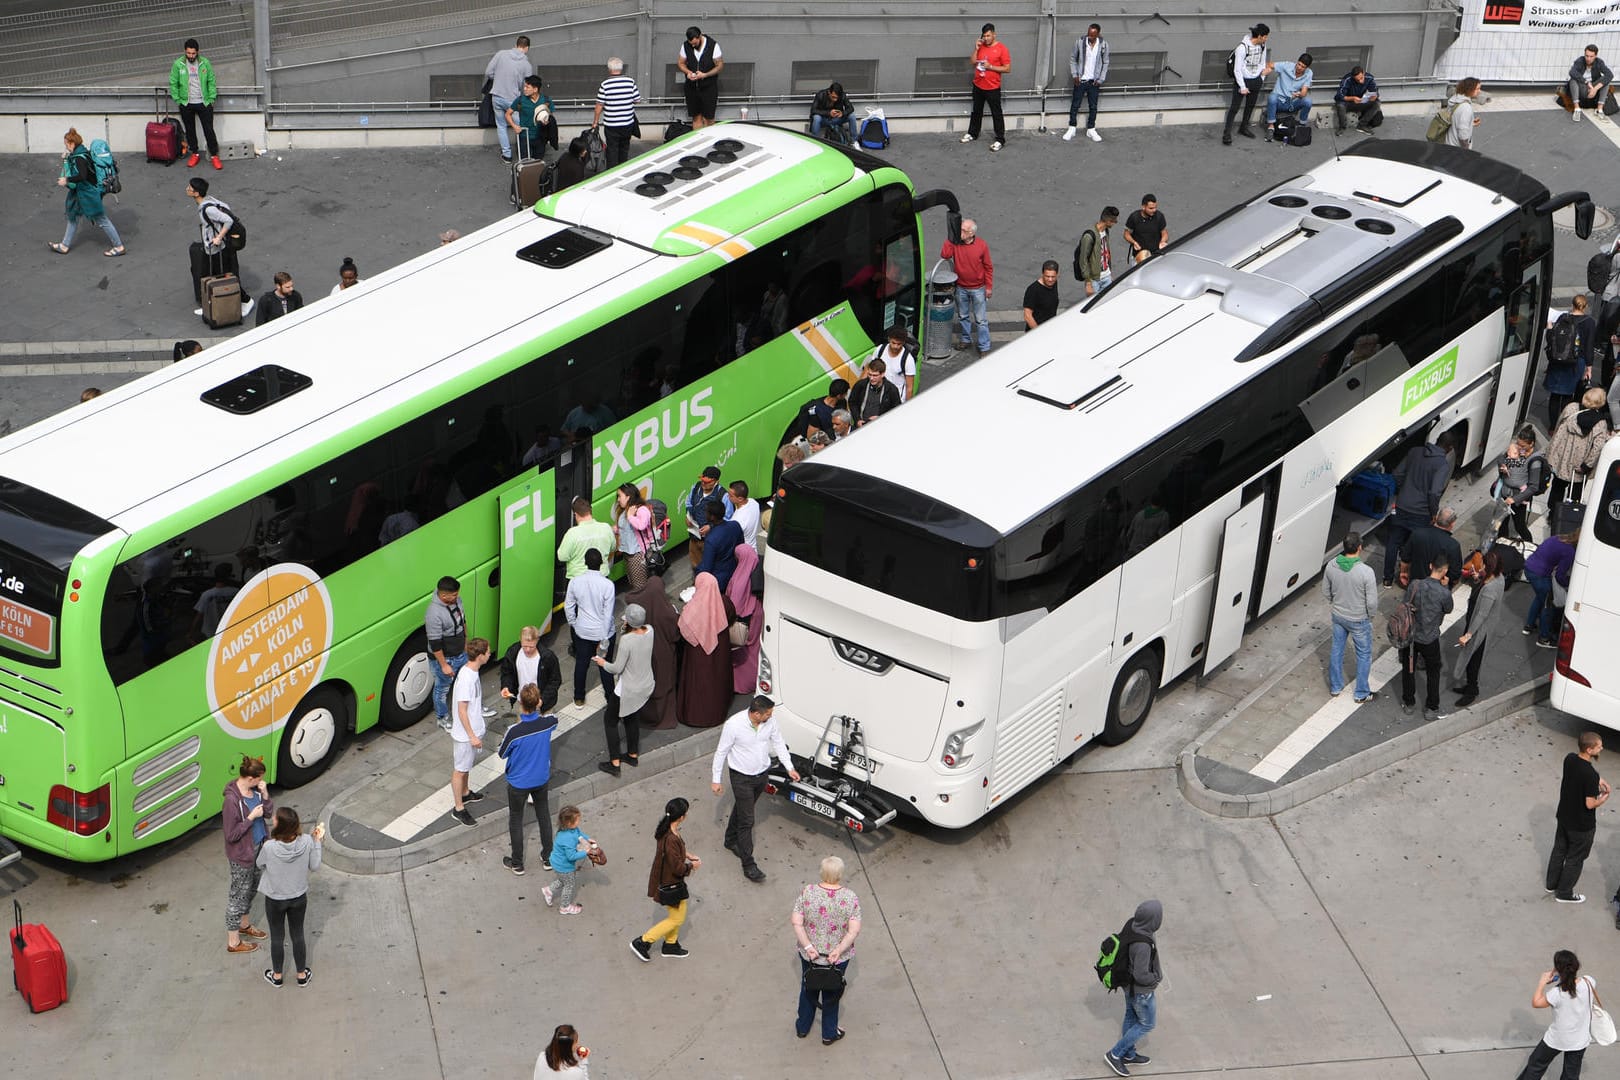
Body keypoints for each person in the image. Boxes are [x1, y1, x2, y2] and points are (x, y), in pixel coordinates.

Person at [711, 695, 799, 882]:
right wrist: (716, 779)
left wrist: (789, 767)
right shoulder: (734, 725)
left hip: (761, 775)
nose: (771, 716)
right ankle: (748, 864)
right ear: (756, 714)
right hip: (741, 777)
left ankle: (730, 840)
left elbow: (778, 743)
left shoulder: (770, 722)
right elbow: (721, 751)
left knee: (743, 810)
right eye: (768, 713)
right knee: (747, 820)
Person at [792, 855, 863, 1044]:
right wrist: (838, 950)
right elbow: (854, 930)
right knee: (832, 993)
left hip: (810, 956)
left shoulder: (807, 892)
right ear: (840, 874)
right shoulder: (850, 897)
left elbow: (796, 922)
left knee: (808, 988)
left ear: (822, 872)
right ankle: (829, 1033)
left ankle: (802, 1027)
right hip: (837, 958)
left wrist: (808, 946)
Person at [255, 807, 324, 988]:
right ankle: (301, 975)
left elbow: (259, 863)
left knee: (277, 937)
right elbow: (315, 865)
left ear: (280, 826)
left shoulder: (269, 847)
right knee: (298, 934)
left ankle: (277, 976)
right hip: (298, 897)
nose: (274, 820)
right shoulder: (308, 841)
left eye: (276, 819)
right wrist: (317, 841)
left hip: (275, 898)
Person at [631, 797, 700, 961]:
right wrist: (692, 866)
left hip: (669, 881)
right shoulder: (671, 838)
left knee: (678, 914)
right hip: (671, 882)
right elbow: (678, 867)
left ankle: (670, 944)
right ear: (682, 817)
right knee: (677, 918)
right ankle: (643, 941)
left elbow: (676, 853)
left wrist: (688, 855)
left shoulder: (668, 830)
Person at [499, 682, 557, 876]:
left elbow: (502, 753)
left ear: (521, 704)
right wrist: (538, 706)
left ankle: (517, 862)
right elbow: (553, 718)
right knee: (543, 815)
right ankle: (548, 856)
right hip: (540, 778)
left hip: (518, 782)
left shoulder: (514, 732)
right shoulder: (548, 723)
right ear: (538, 702)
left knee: (516, 819)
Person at [1546, 732, 1610, 904]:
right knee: (1575, 858)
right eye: (1599, 746)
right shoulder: (1590, 775)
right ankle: (1564, 893)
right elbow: (1589, 804)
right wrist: (1603, 798)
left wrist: (1598, 778)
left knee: (1559, 849)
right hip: (1581, 826)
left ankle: (1551, 883)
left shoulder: (1570, 759)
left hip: (1564, 817)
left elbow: (1583, 770)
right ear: (1589, 749)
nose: (1602, 748)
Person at [1384, 434, 1453, 587]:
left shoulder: (1414, 451)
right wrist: (1434, 512)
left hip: (1401, 505)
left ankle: (1387, 578)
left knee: (1393, 542)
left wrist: (1404, 491)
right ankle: (1409, 580)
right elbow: (1434, 492)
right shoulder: (1442, 464)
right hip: (1421, 513)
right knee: (1416, 546)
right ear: (1449, 448)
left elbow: (1396, 474)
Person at [1103, 899, 1163, 1076]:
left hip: (1127, 986)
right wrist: (1155, 979)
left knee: (1130, 1016)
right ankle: (1115, 1054)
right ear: (1153, 920)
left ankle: (1128, 1054)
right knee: (1147, 1024)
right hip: (1141, 992)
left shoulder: (1133, 924)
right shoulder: (1143, 945)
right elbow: (1141, 975)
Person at [1514, 951, 1595, 1078]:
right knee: (1571, 1074)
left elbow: (1536, 1002)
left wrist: (1542, 982)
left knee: (1536, 1064)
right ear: (1577, 966)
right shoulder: (1589, 982)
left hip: (1557, 1038)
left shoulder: (1557, 993)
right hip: (1580, 1039)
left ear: (1558, 969)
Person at [594, 603, 653, 775]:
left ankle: (614, 763)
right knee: (631, 718)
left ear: (629, 621)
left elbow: (617, 668)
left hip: (628, 687)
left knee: (610, 721)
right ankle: (632, 754)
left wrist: (602, 662)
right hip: (645, 684)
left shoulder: (627, 641)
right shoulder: (650, 630)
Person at [222, 754, 272, 955]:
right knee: (238, 895)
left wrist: (266, 794)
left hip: (258, 848)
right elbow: (231, 834)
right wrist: (251, 818)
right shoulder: (232, 801)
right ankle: (233, 942)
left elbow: (268, 813)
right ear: (251, 778)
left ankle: (244, 925)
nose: (262, 781)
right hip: (242, 855)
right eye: (260, 779)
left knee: (251, 889)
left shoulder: (256, 792)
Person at [1546, 386, 1612, 535]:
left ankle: (1553, 514)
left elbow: (1558, 426)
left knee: (1557, 487)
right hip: (1579, 466)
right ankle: (1570, 519)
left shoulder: (1571, 409)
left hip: (1561, 459)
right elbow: (1597, 448)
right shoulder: (1600, 423)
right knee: (1576, 492)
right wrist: (1586, 465)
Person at [49, 129, 124, 257]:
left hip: (88, 193)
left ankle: (119, 246)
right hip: (82, 192)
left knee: (101, 218)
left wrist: (66, 180)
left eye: (66, 144)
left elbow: (82, 176)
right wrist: (67, 158)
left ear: (72, 143)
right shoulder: (83, 152)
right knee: (73, 216)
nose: (66, 146)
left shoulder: (80, 158)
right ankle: (64, 245)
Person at [1323, 532, 1378, 704]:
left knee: (1337, 650)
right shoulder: (1366, 572)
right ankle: (1361, 692)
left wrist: (1336, 602)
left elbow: (1326, 591)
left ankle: (1335, 686)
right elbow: (1371, 602)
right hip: (1359, 619)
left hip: (1338, 615)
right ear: (1360, 547)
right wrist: (1371, 616)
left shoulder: (1331, 565)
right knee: (1363, 654)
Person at [1398, 556, 1454, 722]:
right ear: (1444, 571)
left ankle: (1408, 703)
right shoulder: (1444, 592)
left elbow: (1405, 603)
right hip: (1430, 638)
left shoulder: (1415, 584)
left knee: (1409, 669)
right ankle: (1431, 707)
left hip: (1412, 635)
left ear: (1430, 566)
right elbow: (1449, 609)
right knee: (1433, 672)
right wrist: (1447, 587)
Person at [624, 572, 681, 729]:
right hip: (663, 654)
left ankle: (643, 716)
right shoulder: (668, 612)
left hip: (642, 655)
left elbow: (630, 597)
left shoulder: (638, 607)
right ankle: (662, 718)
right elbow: (675, 635)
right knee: (664, 683)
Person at [679, 573, 736, 728]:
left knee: (698, 684)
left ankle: (695, 716)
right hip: (719, 651)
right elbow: (731, 615)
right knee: (716, 681)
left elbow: (682, 625)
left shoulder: (692, 607)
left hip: (697, 655)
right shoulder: (724, 602)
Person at [448, 637, 492, 828]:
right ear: (481, 656)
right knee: (460, 769)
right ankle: (458, 808)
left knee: (466, 766)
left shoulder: (471, 672)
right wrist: (472, 736)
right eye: (488, 652)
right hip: (466, 735)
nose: (490, 654)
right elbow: (462, 710)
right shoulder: (467, 679)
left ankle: (465, 793)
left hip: (471, 732)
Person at [186, 178, 248, 314]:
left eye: (190, 188)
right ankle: (209, 304)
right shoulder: (210, 200)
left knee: (223, 275)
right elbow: (226, 207)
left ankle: (246, 300)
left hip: (216, 248)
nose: (187, 189)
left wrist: (218, 237)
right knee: (212, 274)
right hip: (215, 247)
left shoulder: (207, 209)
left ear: (196, 193)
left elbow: (228, 220)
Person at [1451, 548, 1503, 710]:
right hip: (1481, 623)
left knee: (1473, 657)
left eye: (1482, 566)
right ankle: (1470, 685)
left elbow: (1481, 614)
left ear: (1489, 568)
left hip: (1480, 628)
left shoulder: (1489, 589)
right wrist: (1478, 578)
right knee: (1472, 656)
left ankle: (1472, 689)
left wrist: (1468, 634)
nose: (1480, 568)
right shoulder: (1499, 578)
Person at [565, 549, 616, 706]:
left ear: (585, 563)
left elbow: (569, 607)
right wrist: (604, 636)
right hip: (603, 632)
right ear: (601, 563)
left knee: (581, 664)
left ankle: (579, 697)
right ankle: (611, 698)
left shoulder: (575, 582)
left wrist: (574, 623)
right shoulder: (608, 585)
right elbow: (607, 614)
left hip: (582, 632)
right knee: (605, 665)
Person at [1546, 297, 1598, 432]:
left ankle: (1552, 427)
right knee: (1568, 394)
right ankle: (1562, 425)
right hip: (1576, 362)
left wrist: (1549, 327)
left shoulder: (1563, 317)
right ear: (1585, 306)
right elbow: (1589, 346)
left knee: (1555, 395)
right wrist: (1589, 367)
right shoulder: (1589, 322)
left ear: (1572, 305)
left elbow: (1551, 337)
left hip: (1557, 360)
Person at [943, 219, 994, 355]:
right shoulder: (955, 243)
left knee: (981, 320)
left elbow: (988, 267)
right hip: (961, 287)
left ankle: (984, 347)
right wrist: (950, 238)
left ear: (971, 233)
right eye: (960, 229)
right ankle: (966, 339)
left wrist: (988, 287)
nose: (960, 233)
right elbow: (945, 254)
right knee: (963, 316)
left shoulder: (981, 245)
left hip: (978, 288)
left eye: (963, 231)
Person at [426, 575, 469, 733]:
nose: (457, 597)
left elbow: (463, 621)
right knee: (442, 689)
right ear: (443, 595)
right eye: (454, 595)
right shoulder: (433, 614)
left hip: (460, 652)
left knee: (466, 681)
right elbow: (435, 643)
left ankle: (469, 710)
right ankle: (442, 718)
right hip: (446, 658)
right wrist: (444, 665)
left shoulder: (457, 601)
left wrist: (465, 643)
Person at [169, 38, 221, 170]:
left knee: (208, 129)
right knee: (190, 129)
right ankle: (195, 153)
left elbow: (211, 81)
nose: (191, 56)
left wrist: (211, 99)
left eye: (193, 53)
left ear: (197, 52)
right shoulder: (178, 64)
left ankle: (214, 155)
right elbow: (173, 82)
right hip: (187, 103)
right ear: (185, 52)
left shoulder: (205, 63)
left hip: (203, 102)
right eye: (188, 53)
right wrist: (178, 100)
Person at [1491, 426, 1544, 547]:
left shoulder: (1535, 461)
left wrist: (1515, 499)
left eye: (1523, 446)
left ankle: (1531, 547)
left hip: (1518, 498)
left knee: (1520, 526)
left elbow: (1533, 487)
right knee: (1502, 523)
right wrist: (1503, 466)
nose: (1519, 448)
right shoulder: (1516, 450)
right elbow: (1501, 458)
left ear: (1532, 444)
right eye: (1518, 444)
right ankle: (1502, 546)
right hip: (1505, 494)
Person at [1221, 24, 1274, 146]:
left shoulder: (1262, 46)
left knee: (1250, 106)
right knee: (1234, 107)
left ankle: (1243, 127)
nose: (1266, 39)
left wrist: (1261, 78)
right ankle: (1227, 133)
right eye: (1265, 37)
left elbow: (1262, 61)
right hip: (1243, 81)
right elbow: (1237, 69)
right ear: (1260, 36)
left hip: (1256, 80)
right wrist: (1242, 86)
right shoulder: (1242, 47)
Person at [962, 24, 1010, 152]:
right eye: (984, 36)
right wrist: (976, 48)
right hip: (978, 84)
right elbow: (972, 62)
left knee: (996, 113)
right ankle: (973, 133)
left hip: (993, 87)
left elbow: (1007, 68)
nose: (986, 38)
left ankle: (1000, 139)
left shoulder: (1001, 49)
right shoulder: (981, 46)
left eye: (989, 35)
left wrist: (990, 67)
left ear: (994, 34)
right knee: (976, 111)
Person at [484, 35, 533, 161]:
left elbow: (488, 72)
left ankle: (507, 155)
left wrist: (499, 78)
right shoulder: (526, 65)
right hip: (513, 100)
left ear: (516, 45)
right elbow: (527, 87)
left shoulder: (501, 54)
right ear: (526, 48)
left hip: (497, 96)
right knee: (521, 125)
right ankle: (524, 155)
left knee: (501, 125)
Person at [1524, 532, 1577, 648]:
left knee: (1540, 597)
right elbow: (1560, 576)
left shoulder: (1557, 537)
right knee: (1548, 605)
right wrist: (1569, 584)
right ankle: (1544, 638)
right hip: (1540, 574)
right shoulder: (1570, 551)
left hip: (1529, 566)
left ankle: (1529, 626)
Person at [544, 805, 597, 915]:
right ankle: (565, 907)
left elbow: (579, 834)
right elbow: (571, 856)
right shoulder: (567, 839)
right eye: (577, 819)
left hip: (558, 863)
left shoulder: (571, 830)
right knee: (569, 885)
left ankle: (549, 890)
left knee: (563, 880)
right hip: (564, 866)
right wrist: (586, 852)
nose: (579, 821)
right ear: (569, 823)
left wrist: (587, 839)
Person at [499, 625, 561, 714]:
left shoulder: (547, 657)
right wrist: (506, 687)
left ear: (537, 641)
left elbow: (555, 681)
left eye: (531, 647)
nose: (527, 650)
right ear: (520, 639)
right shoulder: (513, 653)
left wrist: (542, 700)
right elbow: (507, 673)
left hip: (543, 706)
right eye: (524, 646)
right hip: (522, 704)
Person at [1063, 23, 1109, 142]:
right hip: (1081, 80)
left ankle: (1091, 129)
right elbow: (1073, 59)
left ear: (1098, 34)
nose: (1090, 37)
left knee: (1093, 106)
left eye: (1093, 35)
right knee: (1075, 105)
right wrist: (1075, 75)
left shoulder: (1103, 45)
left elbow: (1105, 62)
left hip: (1094, 82)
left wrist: (1101, 79)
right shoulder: (1080, 42)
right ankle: (1072, 128)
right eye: (1089, 34)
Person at [591, 58, 640, 168]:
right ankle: (622, 169)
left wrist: (595, 122)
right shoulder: (630, 82)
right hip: (627, 123)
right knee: (624, 148)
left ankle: (612, 172)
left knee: (612, 151)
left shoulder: (605, 85)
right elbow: (637, 100)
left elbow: (599, 106)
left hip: (611, 125)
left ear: (609, 69)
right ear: (621, 68)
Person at [1399, 507, 1464, 590]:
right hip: (1438, 589)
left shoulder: (1417, 534)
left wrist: (1403, 572)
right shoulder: (1453, 546)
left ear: (1436, 518)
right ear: (1452, 524)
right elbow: (1455, 574)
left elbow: (1405, 558)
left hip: (1415, 585)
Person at [728, 544, 763, 694]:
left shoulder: (740, 577)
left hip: (744, 621)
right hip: (758, 614)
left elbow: (735, 604)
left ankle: (741, 684)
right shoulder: (758, 569)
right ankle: (756, 677)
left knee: (742, 651)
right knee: (755, 648)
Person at [556, 497, 615, 582]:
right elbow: (612, 548)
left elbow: (562, 556)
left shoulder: (572, 533)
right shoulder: (606, 528)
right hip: (602, 576)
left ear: (575, 514)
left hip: (578, 579)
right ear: (590, 512)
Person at [683, 466, 731, 568]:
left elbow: (728, 518)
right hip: (694, 538)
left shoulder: (723, 495)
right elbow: (688, 503)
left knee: (710, 567)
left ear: (716, 481)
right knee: (695, 566)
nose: (704, 484)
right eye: (703, 481)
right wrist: (688, 516)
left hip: (710, 541)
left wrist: (711, 527)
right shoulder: (696, 488)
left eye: (708, 482)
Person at [677, 26, 723, 130]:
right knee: (696, 117)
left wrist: (705, 75)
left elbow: (719, 66)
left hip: (709, 88)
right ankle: (697, 141)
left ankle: (709, 140)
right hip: (692, 88)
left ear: (700, 37)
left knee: (709, 119)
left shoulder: (713, 46)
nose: (693, 45)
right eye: (691, 44)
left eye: (695, 43)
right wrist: (688, 72)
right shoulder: (685, 46)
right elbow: (681, 63)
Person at [612, 481, 654, 589]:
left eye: (619, 496)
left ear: (628, 497)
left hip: (638, 554)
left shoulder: (641, 509)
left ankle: (643, 604)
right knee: (633, 582)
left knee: (640, 586)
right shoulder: (623, 511)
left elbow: (641, 525)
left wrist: (630, 516)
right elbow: (622, 528)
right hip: (627, 552)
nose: (618, 499)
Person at [506, 75, 558, 160]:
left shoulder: (546, 100)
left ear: (535, 89)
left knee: (538, 162)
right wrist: (514, 126)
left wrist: (547, 122)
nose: (524, 89)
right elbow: (508, 114)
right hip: (524, 136)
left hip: (540, 137)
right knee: (525, 163)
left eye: (527, 87)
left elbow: (550, 116)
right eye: (524, 86)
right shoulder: (520, 100)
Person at [696, 501, 745, 592]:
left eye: (706, 512)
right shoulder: (735, 525)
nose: (705, 514)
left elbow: (707, 567)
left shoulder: (711, 539)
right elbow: (741, 548)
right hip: (735, 570)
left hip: (719, 579)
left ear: (712, 517)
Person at [1266, 53, 1314, 141]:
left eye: (1303, 66)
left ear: (1307, 67)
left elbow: (1304, 92)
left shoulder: (1309, 73)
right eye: (1299, 64)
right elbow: (1270, 64)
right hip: (1280, 101)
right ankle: (1271, 127)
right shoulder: (1286, 66)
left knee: (1308, 101)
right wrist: (1268, 69)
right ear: (1297, 62)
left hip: (1292, 102)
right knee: (1272, 97)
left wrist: (1299, 94)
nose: (1299, 67)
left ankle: (1301, 125)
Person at [864, 324, 919, 401]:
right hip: (878, 397)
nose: (896, 346)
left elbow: (909, 388)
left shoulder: (908, 360)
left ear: (903, 342)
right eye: (893, 343)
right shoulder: (880, 350)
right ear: (889, 339)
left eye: (899, 344)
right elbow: (869, 368)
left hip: (896, 401)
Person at [1074, 207, 1119, 298]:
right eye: (1114, 221)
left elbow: (1106, 252)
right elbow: (1083, 260)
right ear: (1108, 221)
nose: (1115, 223)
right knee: (1093, 306)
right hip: (1094, 280)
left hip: (1106, 276)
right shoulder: (1089, 236)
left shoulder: (1106, 231)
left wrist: (1109, 273)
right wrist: (1088, 282)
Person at [848, 356, 903, 426]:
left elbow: (897, 410)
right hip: (861, 426)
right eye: (869, 374)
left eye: (875, 375)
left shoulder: (891, 390)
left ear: (882, 374)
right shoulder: (861, 385)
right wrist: (857, 420)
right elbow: (852, 402)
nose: (871, 378)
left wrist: (881, 418)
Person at [190, 562, 238, 640]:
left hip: (210, 634)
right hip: (231, 633)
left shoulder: (206, 595)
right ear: (229, 576)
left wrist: (190, 633)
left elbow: (198, 616)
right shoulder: (236, 592)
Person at [1567, 44, 1613, 122]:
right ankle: (1577, 109)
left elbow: (1610, 75)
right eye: (1587, 56)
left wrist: (1594, 89)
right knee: (1573, 80)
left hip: (1593, 88)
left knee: (1605, 81)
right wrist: (1586, 82)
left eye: (1591, 56)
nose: (1588, 58)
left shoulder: (1599, 62)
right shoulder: (1580, 61)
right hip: (1582, 88)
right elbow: (1572, 72)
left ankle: (1599, 110)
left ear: (1595, 56)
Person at [1334, 66, 1383, 133]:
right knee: (1340, 105)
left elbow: (1375, 91)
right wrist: (1353, 98)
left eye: (1361, 78)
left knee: (1377, 103)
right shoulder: (1347, 79)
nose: (1360, 81)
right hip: (1349, 102)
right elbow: (1339, 95)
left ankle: (1362, 125)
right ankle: (1342, 127)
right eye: (1357, 80)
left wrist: (1374, 96)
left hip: (1362, 101)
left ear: (1363, 73)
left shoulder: (1369, 78)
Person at [1123, 196, 1168, 265]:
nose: (1154, 210)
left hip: (1156, 256)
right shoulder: (1134, 217)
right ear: (1143, 207)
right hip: (1139, 256)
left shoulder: (1159, 216)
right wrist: (1134, 242)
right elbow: (1126, 234)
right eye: (1151, 208)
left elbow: (1164, 233)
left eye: (1155, 207)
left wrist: (1162, 241)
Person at [1444, 77, 1483, 150]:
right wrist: (1466, 150)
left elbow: (1454, 120)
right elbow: (1462, 133)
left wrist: (1470, 123)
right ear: (1469, 89)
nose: (1479, 91)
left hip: (1449, 143)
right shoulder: (1466, 108)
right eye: (1477, 89)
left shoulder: (1455, 100)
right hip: (1457, 148)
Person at [1023, 261, 1061, 330]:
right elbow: (1027, 315)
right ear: (1042, 274)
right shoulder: (1033, 290)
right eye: (1047, 276)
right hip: (1036, 332)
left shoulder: (1054, 283)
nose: (1050, 279)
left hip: (1049, 328)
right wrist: (1038, 332)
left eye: (1053, 277)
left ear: (1057, 275)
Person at [728, 481, 761, 551]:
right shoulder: (754, 502)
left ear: (740, 499)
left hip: (743, 554)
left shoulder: (736, 521)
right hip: (753, 550)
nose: (728, 497)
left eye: (730, 496)